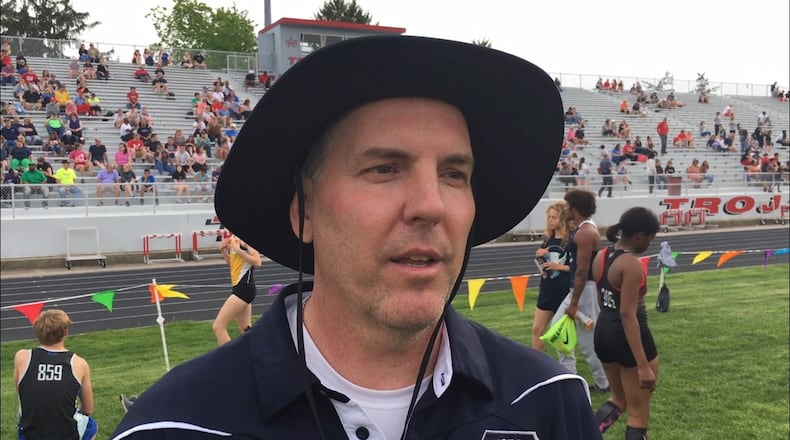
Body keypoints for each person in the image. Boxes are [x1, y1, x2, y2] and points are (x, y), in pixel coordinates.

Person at [112, 36, 600, 439]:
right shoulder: (174, 426)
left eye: (454, 174)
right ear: (305, 212)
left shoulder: (549, 401)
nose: (430, 205)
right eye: (384, 168)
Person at [591, 207, 660, 438]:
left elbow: (604, 300)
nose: (650, 242)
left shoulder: (601, 256)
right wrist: (642, 365)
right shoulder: (630, 264)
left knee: (618, 399)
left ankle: (583, 434)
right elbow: (628, 314)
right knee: (638, 413)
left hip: (603, 333)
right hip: (628, 336)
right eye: (651, 237)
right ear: (641, 234)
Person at [553, 189, 610, 393]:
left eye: (567, 205)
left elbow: (583, 270)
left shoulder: (585, 232)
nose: (565, 208)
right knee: (557, 329)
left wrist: (575, 302)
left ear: (575, 208)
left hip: (585, 290)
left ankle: (603, 383)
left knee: (588, 342)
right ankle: (570, 378)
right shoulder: (583, 228)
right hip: (580, 289)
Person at [14, 309, 98, 440]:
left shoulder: (22, 357)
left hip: (30, 432)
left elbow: (21, 392)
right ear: (65, 332)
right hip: (67, 434)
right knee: (91, 425)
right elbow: (88, 408)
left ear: (37, 332)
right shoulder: (79, 363)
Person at [531, 201, 572, 351]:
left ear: (562, 219)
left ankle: (567, 367)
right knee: (537, 329)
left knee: (562, 334)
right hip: (547, 290)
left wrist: (558, 267)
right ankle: (537, 365)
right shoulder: (548, 239)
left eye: (554, 217)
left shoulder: (571, 240)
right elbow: (543, 263)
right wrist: (538, 255)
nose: (550, 220)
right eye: (549, 217)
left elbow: (580, 268)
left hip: (565, 292)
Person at [211, 231, 263, 345]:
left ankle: (229, 360)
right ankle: (254, 356)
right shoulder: (234, 239)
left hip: (244, 289)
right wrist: (223, 251)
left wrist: (238, 249)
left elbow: (258, 262)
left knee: (218, 327)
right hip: (240, 288)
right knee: (245, 329)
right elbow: (233, 264)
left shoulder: (245, 240)